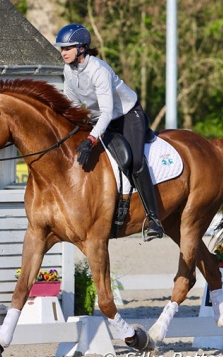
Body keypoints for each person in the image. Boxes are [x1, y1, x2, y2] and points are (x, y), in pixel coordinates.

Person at [54, 23, 163, 240]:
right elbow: (72, 104)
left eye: (68, 47)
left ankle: (154, 219)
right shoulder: (68, 70)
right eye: (62, 48)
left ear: (82, 48)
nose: (63, 52)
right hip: (100, 118)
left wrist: (91, 139)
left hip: (127, 115)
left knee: (135, 161)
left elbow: (106, 112)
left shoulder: (99, 70)